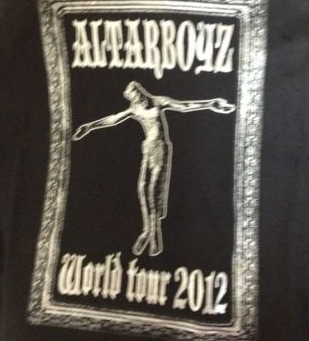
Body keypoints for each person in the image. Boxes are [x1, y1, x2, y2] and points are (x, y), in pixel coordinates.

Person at [72, 81, 235, 256]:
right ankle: (147, 230)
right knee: (142, 187)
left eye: (138, 95)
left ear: (141, 91)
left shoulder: (158, 101)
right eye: (134, 98)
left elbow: (184, 106)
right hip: (148, 149)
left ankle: (154, 232)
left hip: (160, 149)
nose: (138, 100)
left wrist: (210, 104)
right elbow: (114, 118)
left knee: (153, 189)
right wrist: (90, 126)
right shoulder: (135, 109)